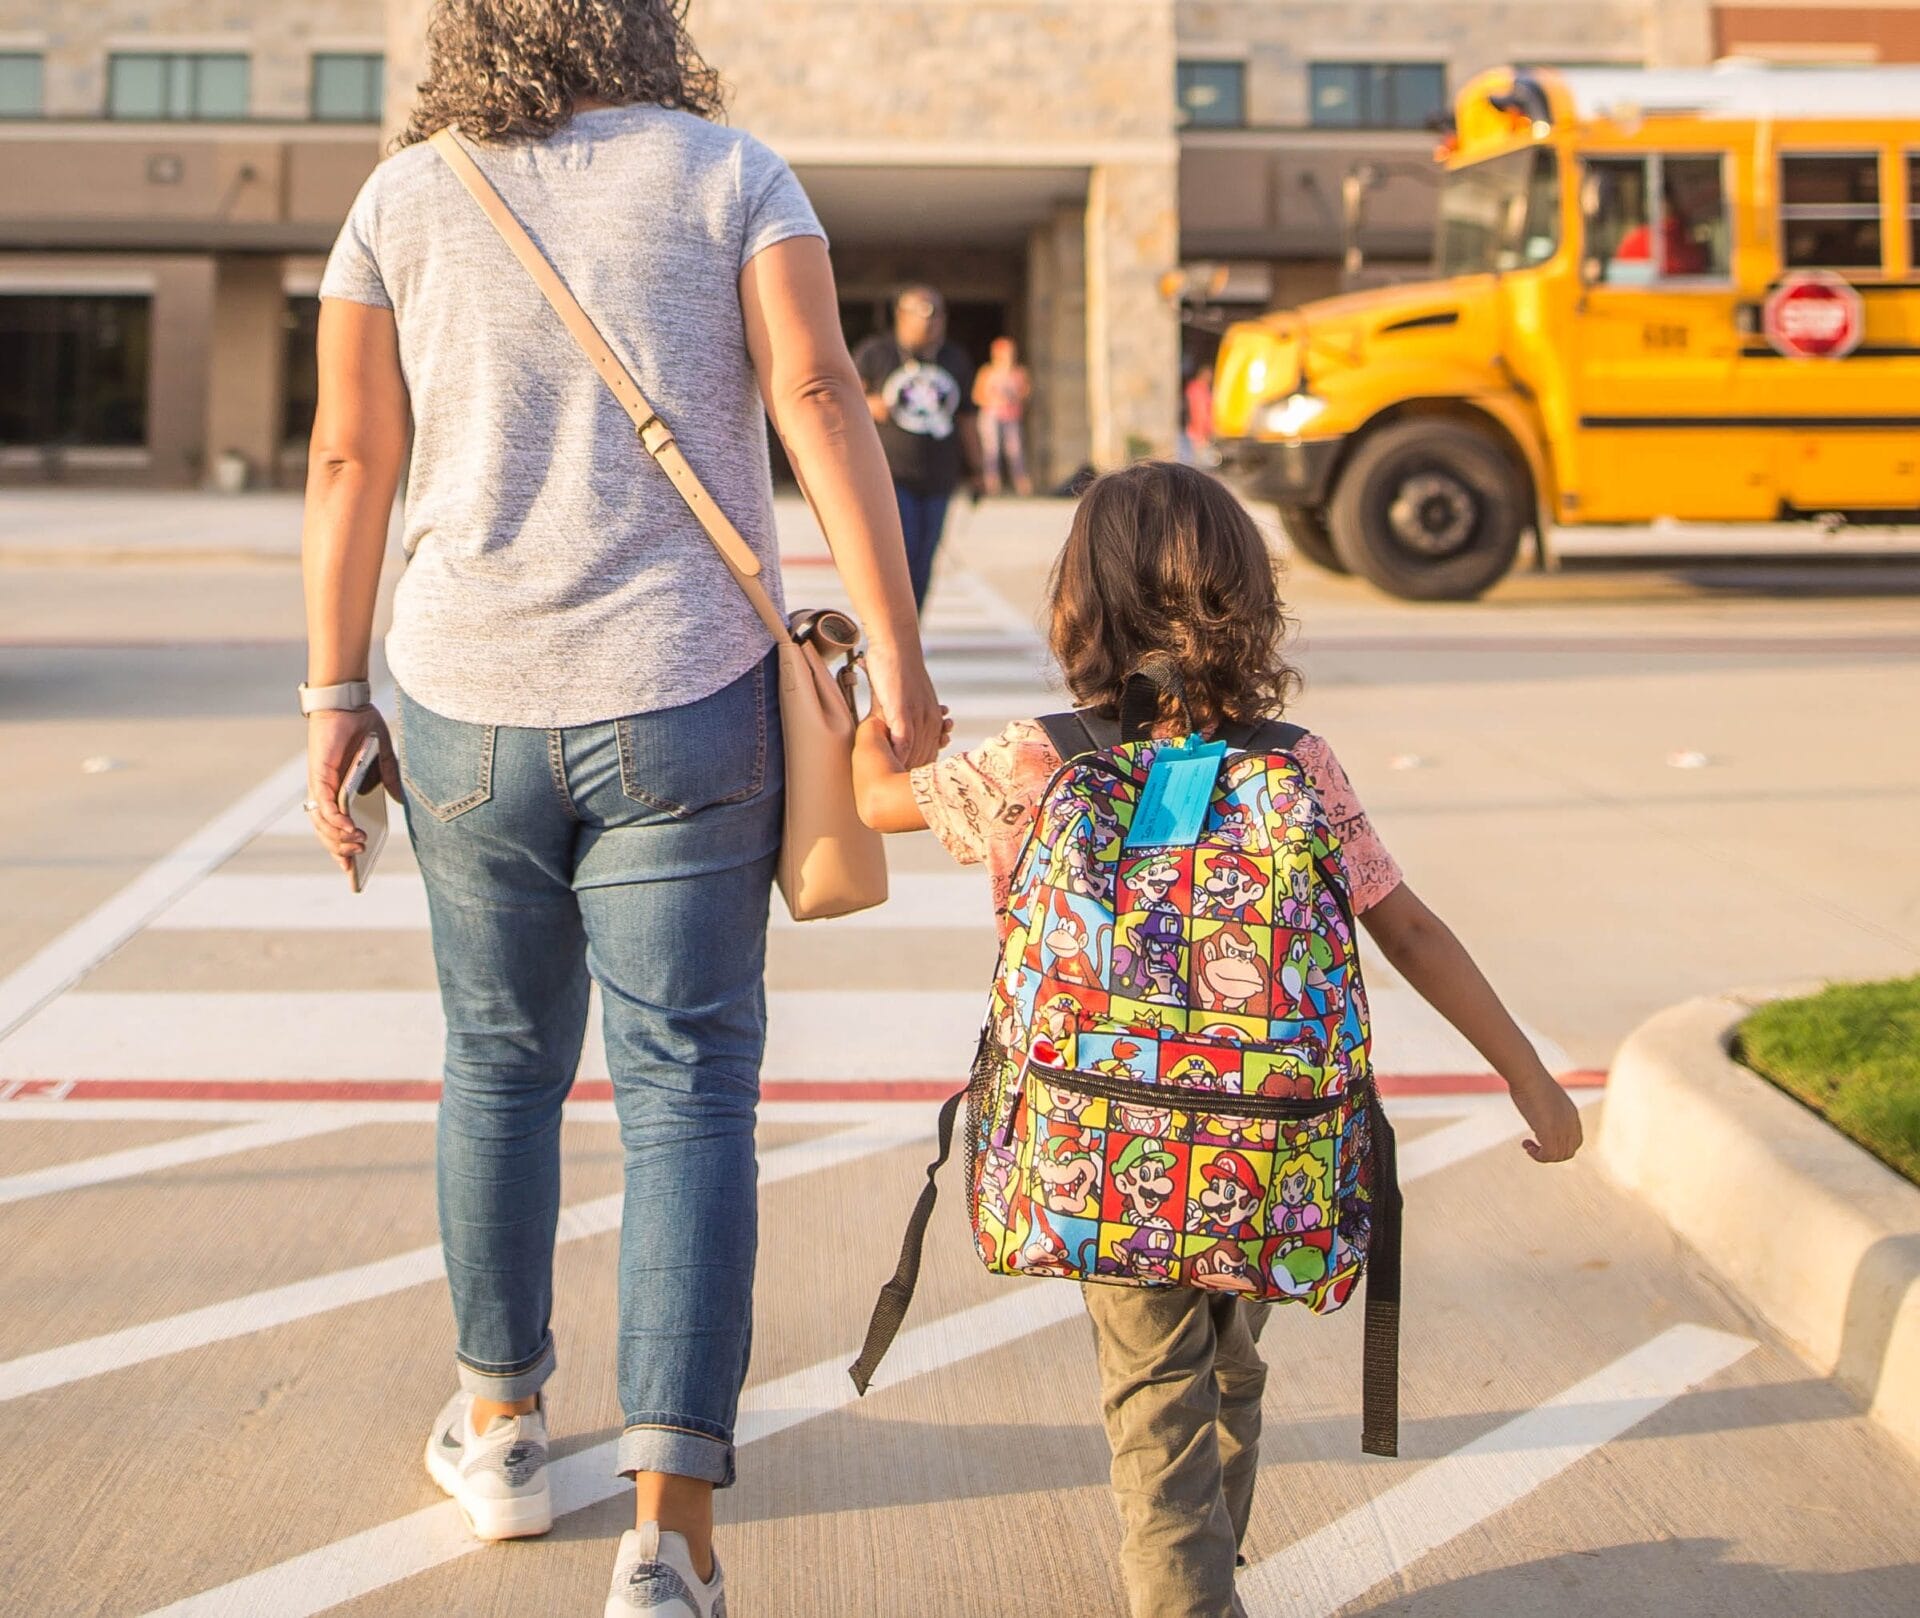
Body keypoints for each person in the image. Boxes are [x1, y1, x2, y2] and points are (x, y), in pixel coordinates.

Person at [299, 4, 942, 1615]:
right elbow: (818, 394)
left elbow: (345, 456)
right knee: (687, 1094)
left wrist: (331, 699)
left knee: (499, 1069)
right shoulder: (735, 175)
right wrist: (906, 669)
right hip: (685, 700)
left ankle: (504, 1427)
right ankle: (669, 1539)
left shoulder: (402, 196)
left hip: (462, 707)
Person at [849, 460, 1583, 1618]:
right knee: (1228, 1358)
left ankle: (1187, 1598)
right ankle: (1208, 1570)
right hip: (1266, 1151)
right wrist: (1529, 1078)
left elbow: (876, 803)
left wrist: (866, 729)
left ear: (1078, 603)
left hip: (1101, 1149)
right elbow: (1411, 927)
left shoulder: (1039, 760)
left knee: (1155, 1397)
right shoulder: (1297, 763)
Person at [854, 286, 984, 609]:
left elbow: (968, 418)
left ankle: (914, 628)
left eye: (937, 313)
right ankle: (890, 626)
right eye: (922, 312)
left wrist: (979, 470)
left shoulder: (954, 359)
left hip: (939, 476)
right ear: (901, 315)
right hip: (891, 475)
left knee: (925, 558)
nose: (931, 322)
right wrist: (870, 405)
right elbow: (842, 399)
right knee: (900, 553)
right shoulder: (876, 353)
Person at [972, 335, 1034, 496]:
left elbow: (1027, 394)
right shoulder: (987, 372)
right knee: (992, 450)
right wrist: (994, 399)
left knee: (1015, 450)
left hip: (1011, 417)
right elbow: (977, 395)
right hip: (992, 415)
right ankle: (992, 485)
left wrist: (1014, 397)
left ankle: (1022, 484)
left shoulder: (1018, 372)